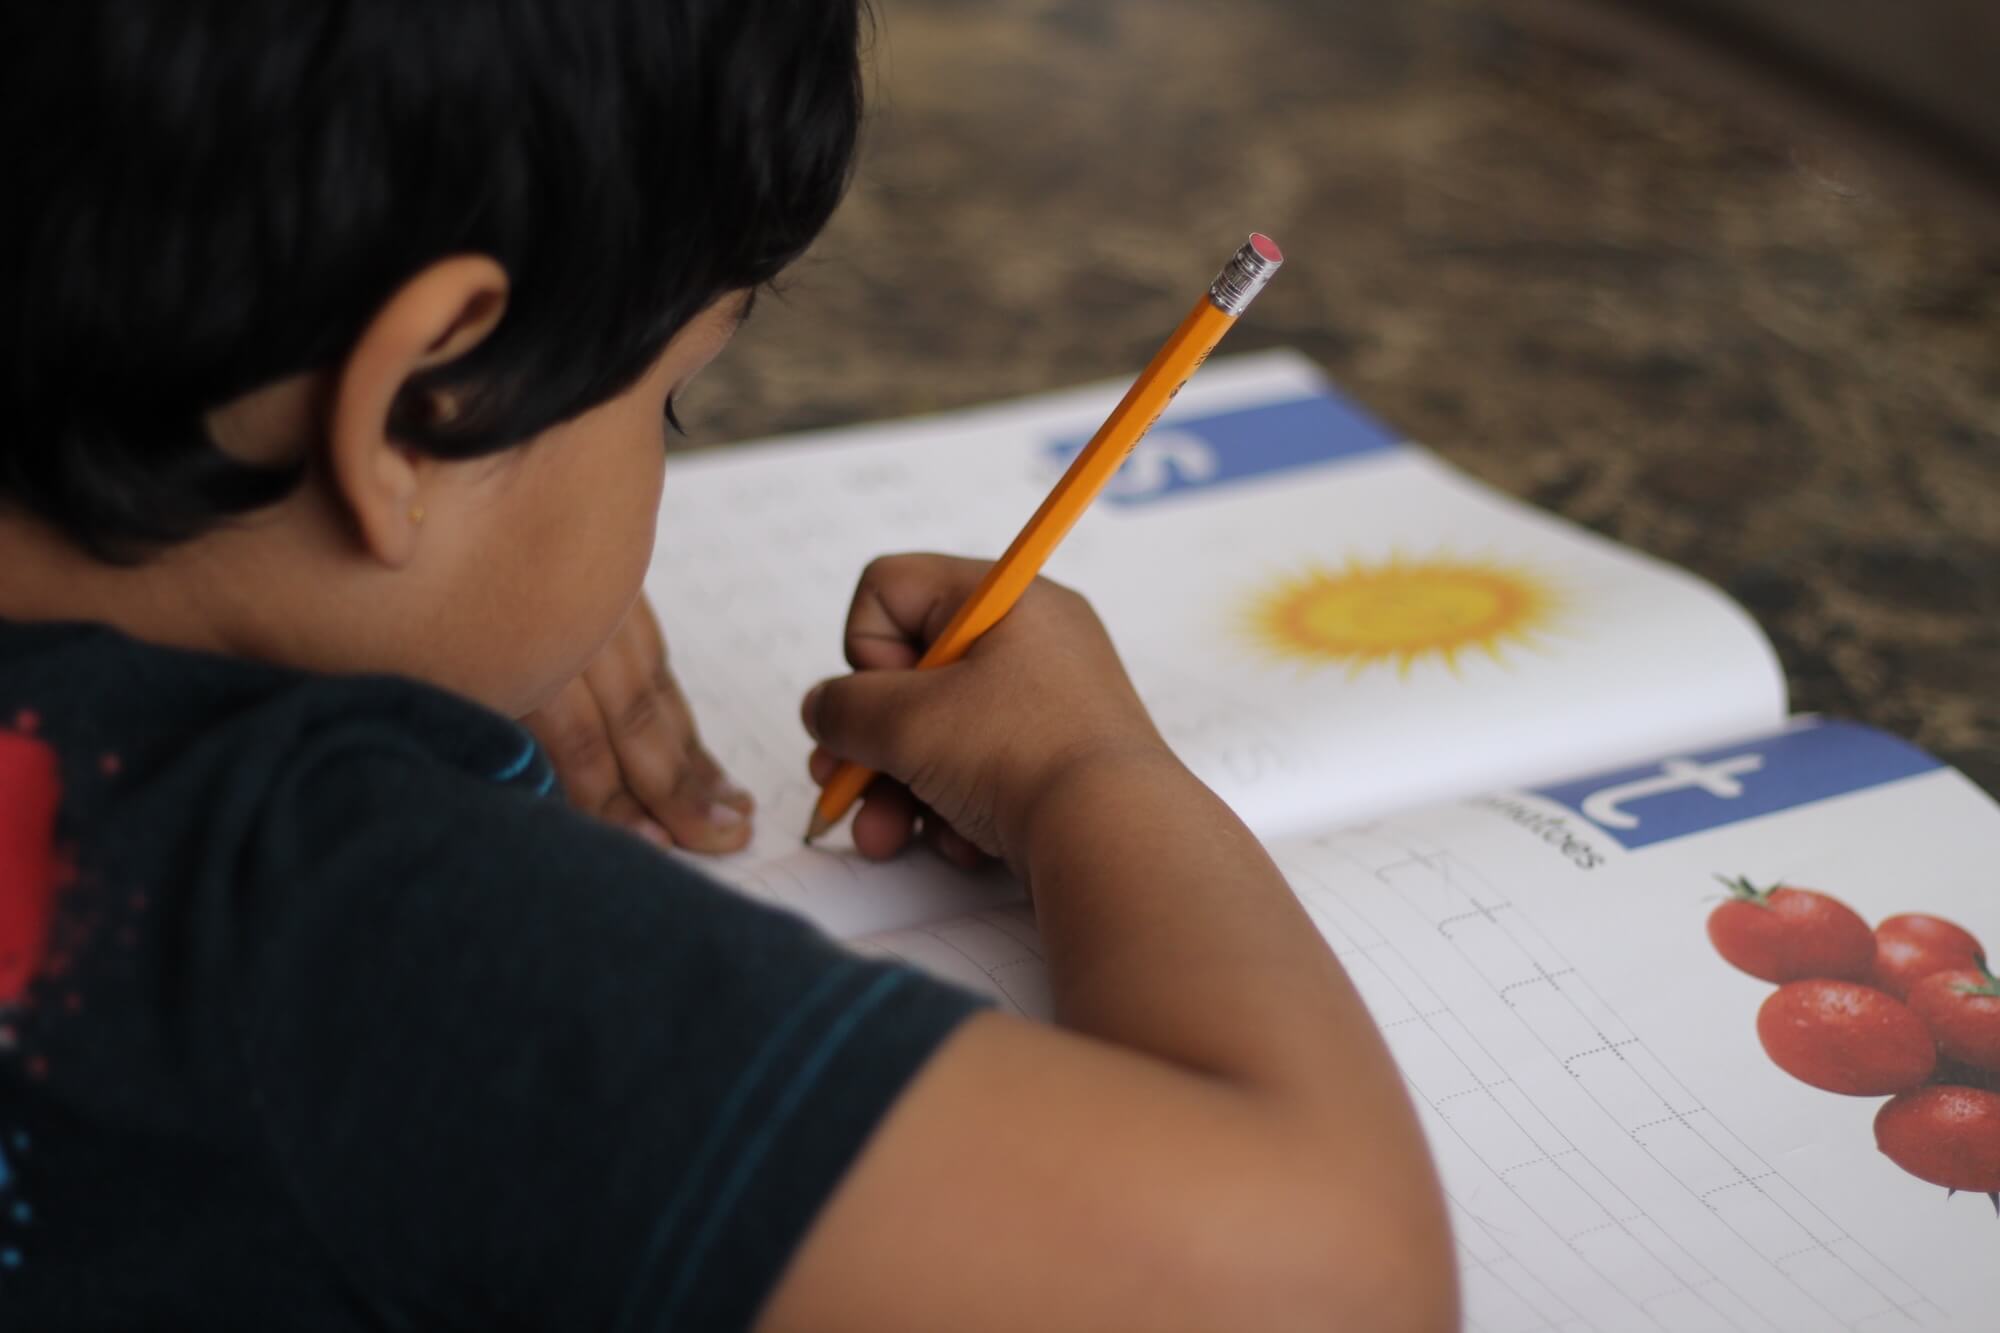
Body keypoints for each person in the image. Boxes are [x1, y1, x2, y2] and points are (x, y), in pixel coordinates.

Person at [0, 2, 1456, 1329]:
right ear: (421, 407)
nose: (661, 448)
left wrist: (427, 595)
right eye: (673, 399)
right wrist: (1086, 770)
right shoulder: (327, 924)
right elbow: (1334, 1279)